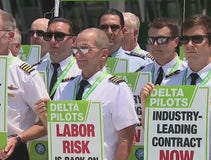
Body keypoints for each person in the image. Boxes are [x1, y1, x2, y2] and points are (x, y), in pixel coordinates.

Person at [35, 28, 139, 159]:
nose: (78, 55)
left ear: (103, 54)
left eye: (84, 49)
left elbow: (126, 140)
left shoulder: (116, 89)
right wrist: (44, 116)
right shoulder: (64, 86)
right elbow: (58, 133)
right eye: (75, 50)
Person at [141, 14, 211, 160]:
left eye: (197, 39)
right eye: (185, 39)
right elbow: (154, 133)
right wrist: (146, 107)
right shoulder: (168, 82)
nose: (189, 44)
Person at [0, 9, 49, 160]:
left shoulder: (25, 74)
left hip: (10, 150)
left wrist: (18, 138)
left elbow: (45, 123)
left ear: (10, 36)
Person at [35, 17, 81, 99]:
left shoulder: (81, 71)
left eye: (59, 36)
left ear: (73, 41)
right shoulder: (35, 70)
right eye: (48, 36)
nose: (52, 41)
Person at [138, 17, 186, 84]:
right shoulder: (140, 74)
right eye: (151, 40)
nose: (155, 44)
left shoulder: (187, 73)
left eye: (161, 40)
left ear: (176, 42)